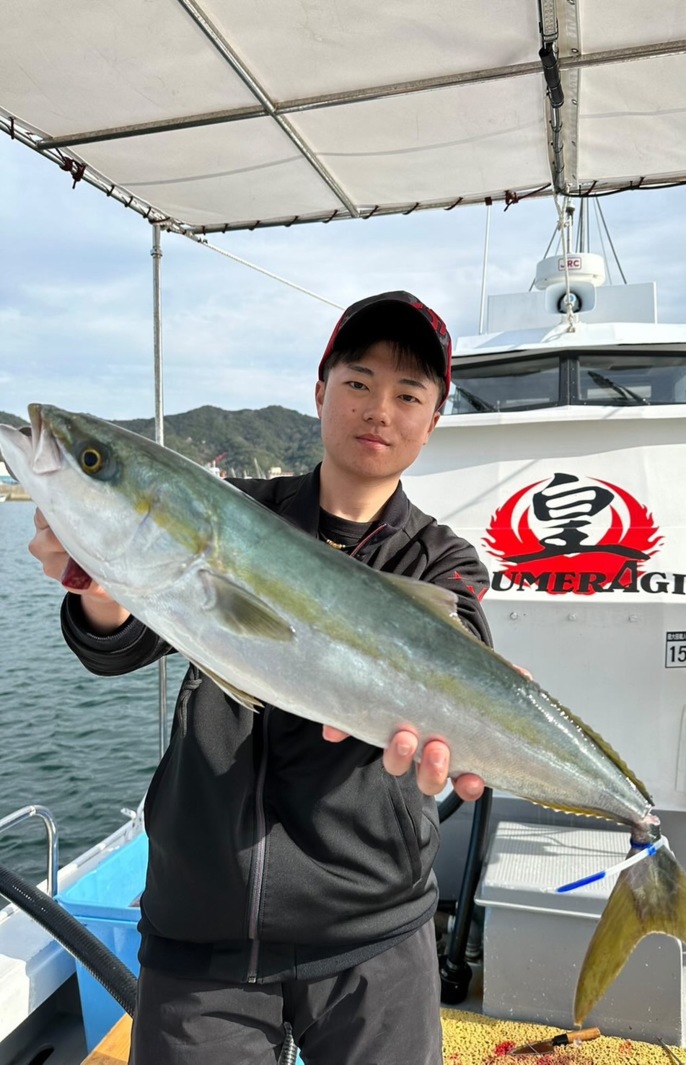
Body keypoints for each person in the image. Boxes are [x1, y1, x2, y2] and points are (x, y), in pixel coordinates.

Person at [29, 291, 492, 1065]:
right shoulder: (230, 516)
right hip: (200, 932)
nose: (379, 408)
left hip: (371, 937)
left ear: (432, 418)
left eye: (408, 393)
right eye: (358, 382)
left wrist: (458, 724)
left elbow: (467, 644)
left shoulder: (441, 563)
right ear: (320, 391)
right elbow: (118, 641)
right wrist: (102, 594)